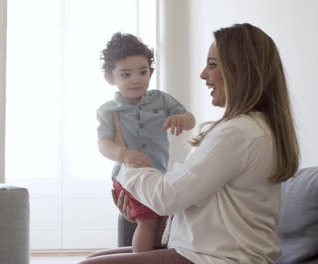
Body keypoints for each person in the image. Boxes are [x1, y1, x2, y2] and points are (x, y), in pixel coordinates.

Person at [81, 23, 300, 264]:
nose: (203, 74)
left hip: (219, 258)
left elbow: (167, 197)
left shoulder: (239, 133)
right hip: (209, 250)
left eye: (212, 65)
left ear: (241, 71)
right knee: (94, 258)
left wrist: (126, 163)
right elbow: (204, 203)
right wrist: (148, 212)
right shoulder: (250, 129)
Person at [96, 32, 196, 253]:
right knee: (148, 221)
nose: (136, 79)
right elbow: (103, 144)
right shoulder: (108, 110)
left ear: (151, 72)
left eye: (143, 72)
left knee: (162, 221)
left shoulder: (161, 100)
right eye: (126, 74)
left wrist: (182, 119)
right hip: (126, 177)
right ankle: (140, 259)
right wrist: (125, 155)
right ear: (110, 78)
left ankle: (154, 255)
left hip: (156, 176)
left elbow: (190, 119)